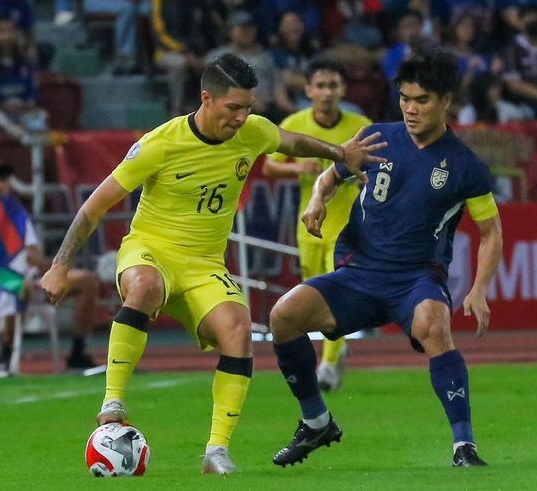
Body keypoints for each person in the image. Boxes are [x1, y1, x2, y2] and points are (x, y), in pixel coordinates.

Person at [39, 53, 385, 475]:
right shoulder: (160, 143)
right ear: (206, 99)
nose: (243, 118)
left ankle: (216, 452)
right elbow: (95, 207)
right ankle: (113, 399)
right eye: (233, 108)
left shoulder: (252, 131)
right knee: (144, 287)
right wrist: (60, 264)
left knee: (239, 330)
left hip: (204, 264)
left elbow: (291, 141)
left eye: (248, 108)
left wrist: (338, 153)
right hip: (151, 250)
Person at [269, 49, 503, 468]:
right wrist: (318, 200)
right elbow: (331, 174)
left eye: (422, 100)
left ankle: (464, 446)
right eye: (405, 98)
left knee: (435, 324)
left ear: (446, 100)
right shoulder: (376, 136)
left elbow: (491, 232)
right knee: (282, 316)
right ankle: (317, 421)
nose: (411, 109)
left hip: (416, 278)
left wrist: (480, 288)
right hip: (358, 273)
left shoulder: (466, 166)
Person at [263, 59, 372, 392]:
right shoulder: (295, 123)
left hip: (348, 227)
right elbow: (269, 166)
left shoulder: (361, 126)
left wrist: (365, 180)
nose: (327, 92)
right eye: (320, 86)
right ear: (308, 90)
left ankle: (327, 363)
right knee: (313, 296)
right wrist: (297, 169)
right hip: (309, 225)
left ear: (342, 90)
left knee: (336, 291)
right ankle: (335, 351)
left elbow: (381, 164)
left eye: (333, 85)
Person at [0, 164, 101, 373]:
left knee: (88, 280)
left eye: (4, 180)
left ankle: (78, 351)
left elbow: (33, 254)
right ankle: (5, 357)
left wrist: (52, 270)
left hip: (30, 276)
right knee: (17, 286)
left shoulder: (17, 215)